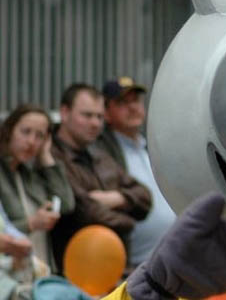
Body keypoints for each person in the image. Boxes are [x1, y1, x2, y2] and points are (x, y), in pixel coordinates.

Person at [50, 83, 151, 268]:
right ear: (64, 113)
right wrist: (129, 221)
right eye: (87, 115)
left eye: (99, 116)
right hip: (76, 270)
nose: (95, 123)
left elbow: (145, 197)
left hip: (116, 268)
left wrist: (117, 198)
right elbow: (84, 211)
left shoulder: (99, 155)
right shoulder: (52, 157)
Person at [96, 77, 176, 268]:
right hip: (131, 265)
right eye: (123, 102)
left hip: (170, 259)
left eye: (136, 101)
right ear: (106, 113)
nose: (133, 107)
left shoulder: (151, 146)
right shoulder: (102, 152)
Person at [0, 105, 74, 272]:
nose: (31, 142)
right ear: (9, 131)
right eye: (25, 132)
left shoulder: (30, 174)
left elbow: (66, 204)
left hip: (39, 268)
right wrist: (31, 224)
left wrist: (46, 156)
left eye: (40, 136)